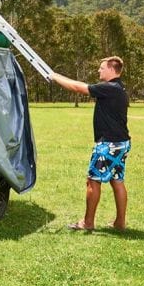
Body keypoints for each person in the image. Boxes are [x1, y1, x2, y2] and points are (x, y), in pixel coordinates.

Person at [50, 56, 131, 231]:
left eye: (101, 68)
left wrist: (55, 76)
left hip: (108, 144)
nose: (98, 71)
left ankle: (88, 222)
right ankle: (120, 223)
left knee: (92, 181)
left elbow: (78, 87)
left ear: (111, 70)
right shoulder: (118, 88)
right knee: (117, 181)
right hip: (120, 143)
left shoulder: (109, 88)